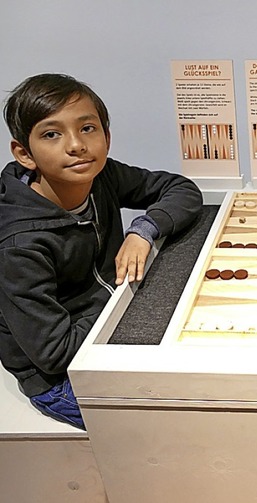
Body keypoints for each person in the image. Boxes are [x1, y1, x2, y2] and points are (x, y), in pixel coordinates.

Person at [0, 73, 203, 429]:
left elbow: (180, 189)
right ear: (24, 154)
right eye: (52, 134)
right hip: (59, 378)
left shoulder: (101, 176)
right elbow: (54, 354)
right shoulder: (19, 246)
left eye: (88, 129)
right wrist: (131, 300)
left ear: (107, 137)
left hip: (112, 318)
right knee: (172, 424)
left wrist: (143, 230)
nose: (76, 145)